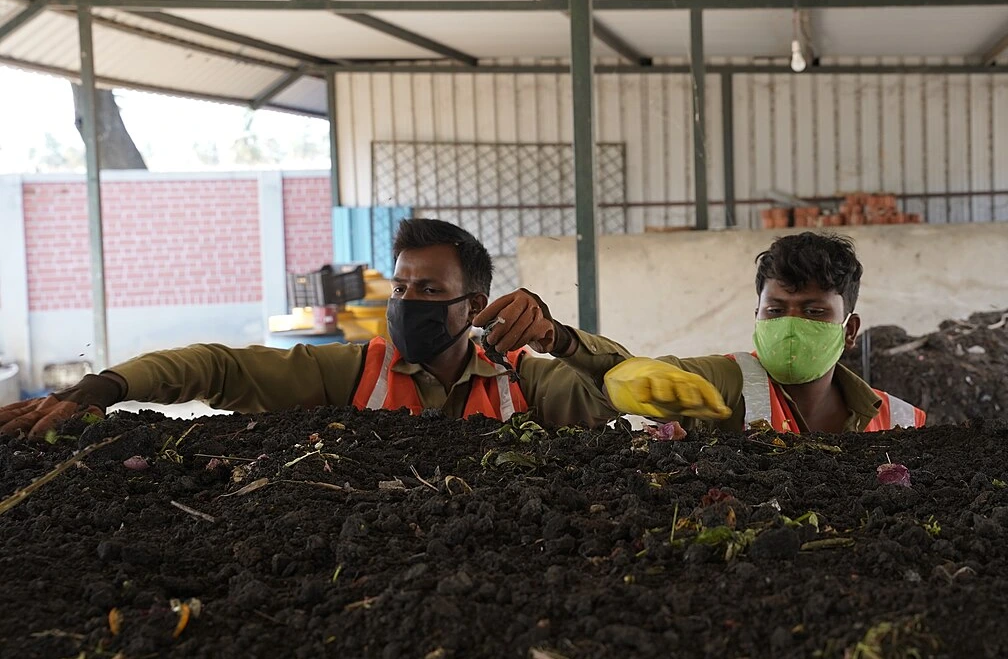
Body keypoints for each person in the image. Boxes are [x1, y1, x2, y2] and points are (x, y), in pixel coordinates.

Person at [0, 219, 626, 439]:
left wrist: (559, 339)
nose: (408, 303)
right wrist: (107, 386)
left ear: (474, 304)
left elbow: (619, 385)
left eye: (430, 291)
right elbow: (220, 368)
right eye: (401, 289)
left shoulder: (526, 385)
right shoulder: (352, 371)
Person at [603, 231, 925, 434]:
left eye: (814, 312)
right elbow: (676, 376)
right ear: (757, 317)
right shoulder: (729, 382)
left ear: (850, 330)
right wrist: (633, 375)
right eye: (775, 310)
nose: (791, 324)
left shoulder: (901, 422)